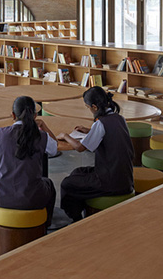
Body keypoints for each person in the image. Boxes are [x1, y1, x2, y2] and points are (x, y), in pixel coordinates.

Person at [57, 86, 134, 222]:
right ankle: (82, 208)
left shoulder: (101, 123)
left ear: (94, 107)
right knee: (78, 172)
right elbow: (107, 134)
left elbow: (80, 148)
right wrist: (89, 130)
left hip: (110, 182)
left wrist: (66, 136)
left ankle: (76, 218)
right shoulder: (119, 118)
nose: (89, 110)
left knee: (67, 184)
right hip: (124, 176)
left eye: (88, 107)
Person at [0, 96, 57, 229]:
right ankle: (45, 224)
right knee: (48, 184)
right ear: (35, 115)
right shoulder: (40, 136)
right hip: (30, 197)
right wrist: (43, 126)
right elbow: (54, 149)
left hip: (0, 196)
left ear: (13, 115)